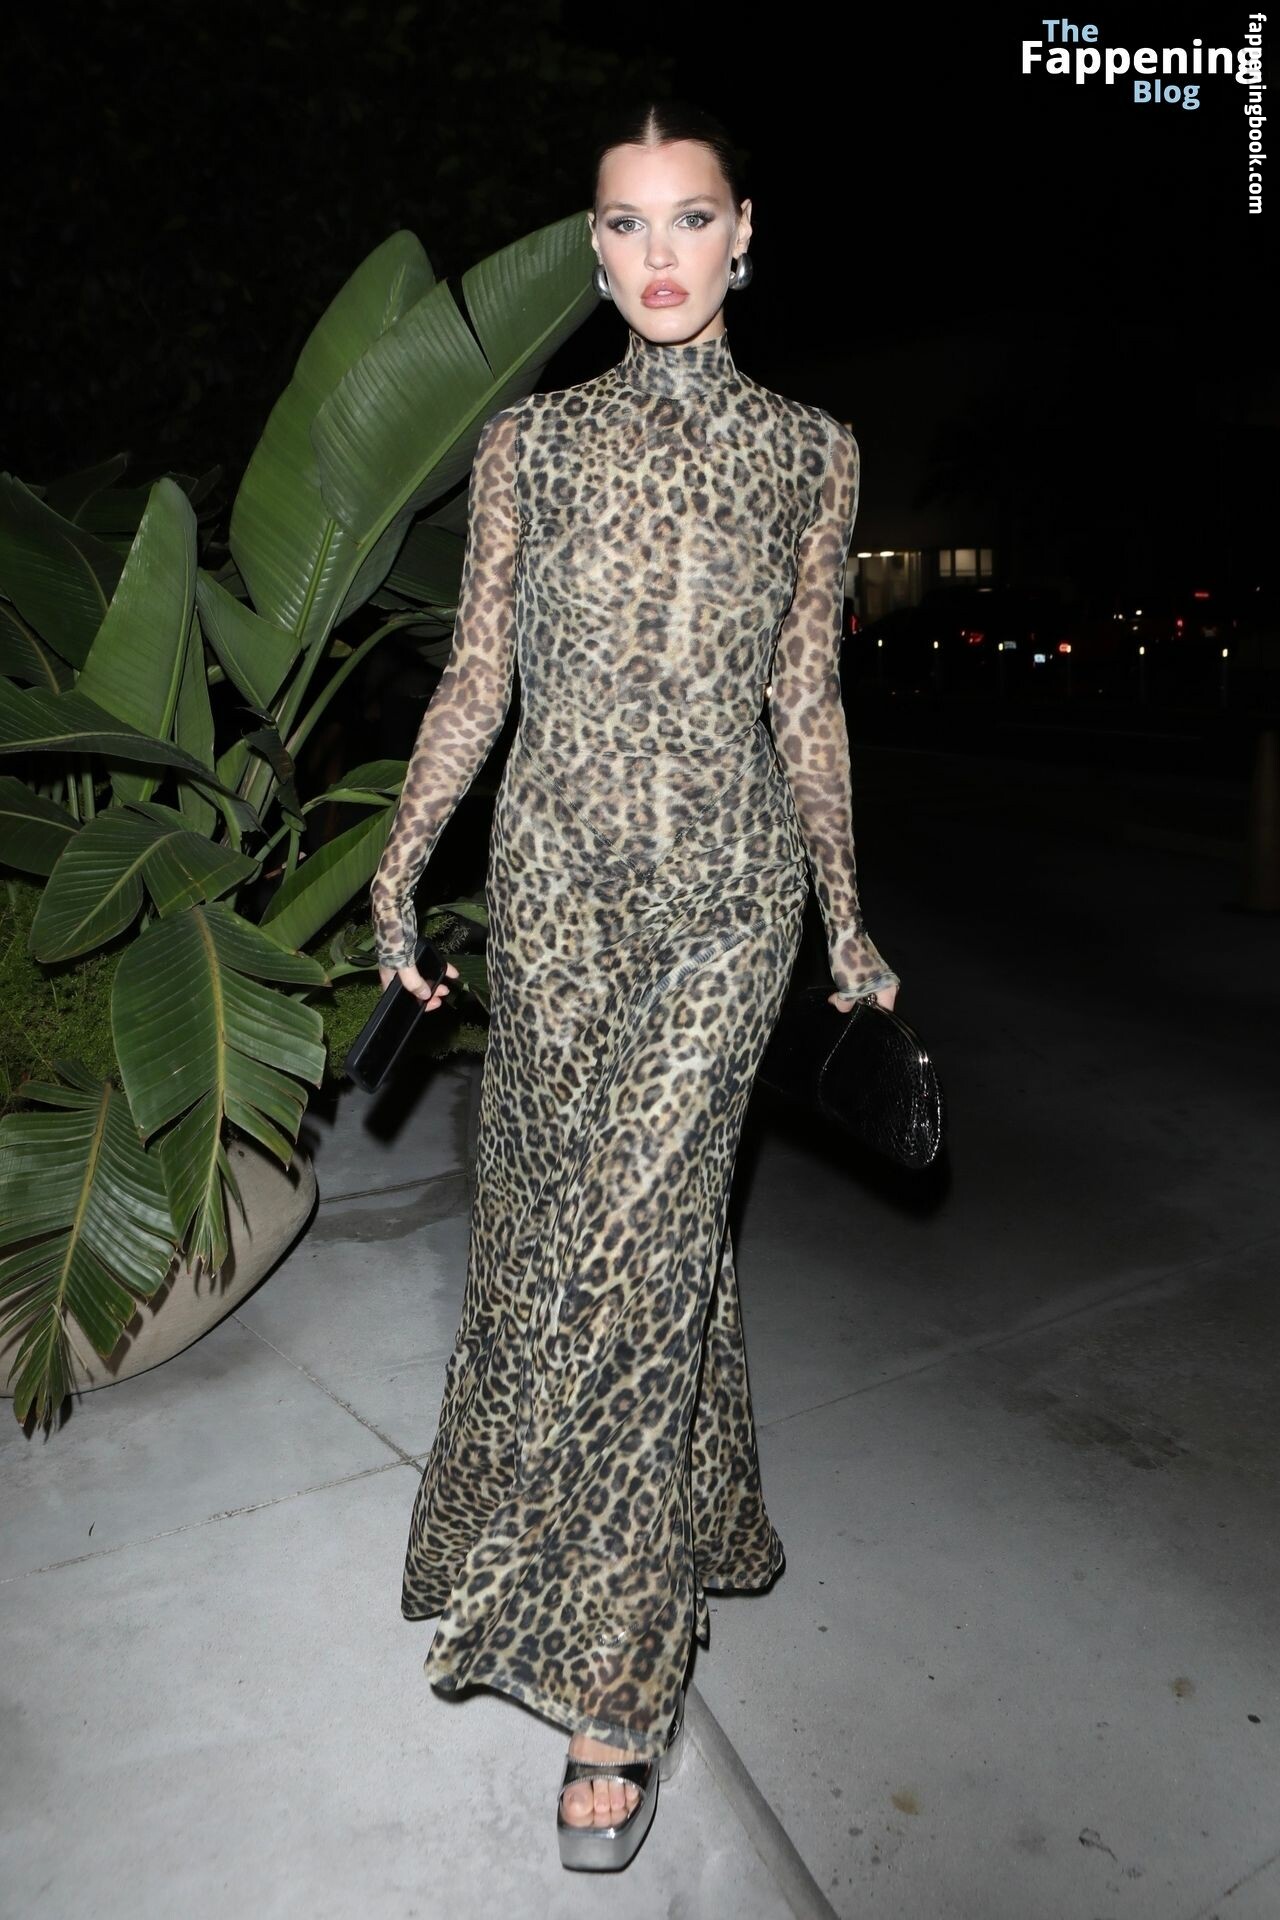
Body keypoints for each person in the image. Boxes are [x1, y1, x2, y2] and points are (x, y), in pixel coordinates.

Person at [368, 96, 901, 1872]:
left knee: (646, 1230)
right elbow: (478, 678)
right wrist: (398, 864)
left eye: (689, 217)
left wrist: (844, 915)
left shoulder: (813, 453)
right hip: (553, 888)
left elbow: (807, 699)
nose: (657, 253)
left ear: (746, 233)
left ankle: (616, 1677)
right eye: (623, 223)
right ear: (593, 254)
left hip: (731, 892)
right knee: (554, 1220)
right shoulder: (531, 443)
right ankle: (677, 1513)